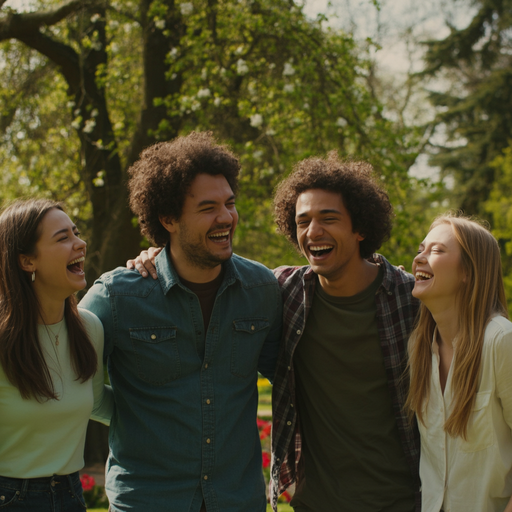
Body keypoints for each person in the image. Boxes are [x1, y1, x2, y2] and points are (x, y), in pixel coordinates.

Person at [131, 152, 421, 511]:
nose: (313, 232)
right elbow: (199, 260)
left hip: (403, 501)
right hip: (314, 504)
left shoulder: (411, 301)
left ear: (360, 227)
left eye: (328, 218)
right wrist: (162, 253)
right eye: (302, 221)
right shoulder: (283, 292)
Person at [80, 131, 282, 512]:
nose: (226, 217)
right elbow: (75, 383)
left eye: (230, 203)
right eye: (208, 208)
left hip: (238, 501)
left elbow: (286, 377)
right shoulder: (117, 296)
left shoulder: (262, 289)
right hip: (147, 502)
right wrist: (133, 416)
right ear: (168, 218)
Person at [0, 198, 112, 512]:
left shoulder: (89, 328)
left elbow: (98, 402)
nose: (81, 243)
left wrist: (170, 411)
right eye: (63, 238)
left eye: (76, 233)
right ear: (26, 261)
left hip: (70, 495)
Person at [405, 214, 512, 512]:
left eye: (436, 251)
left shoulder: (500, 340)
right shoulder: (419, 347)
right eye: (420, 249)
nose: (420, 259)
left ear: (468, 272)